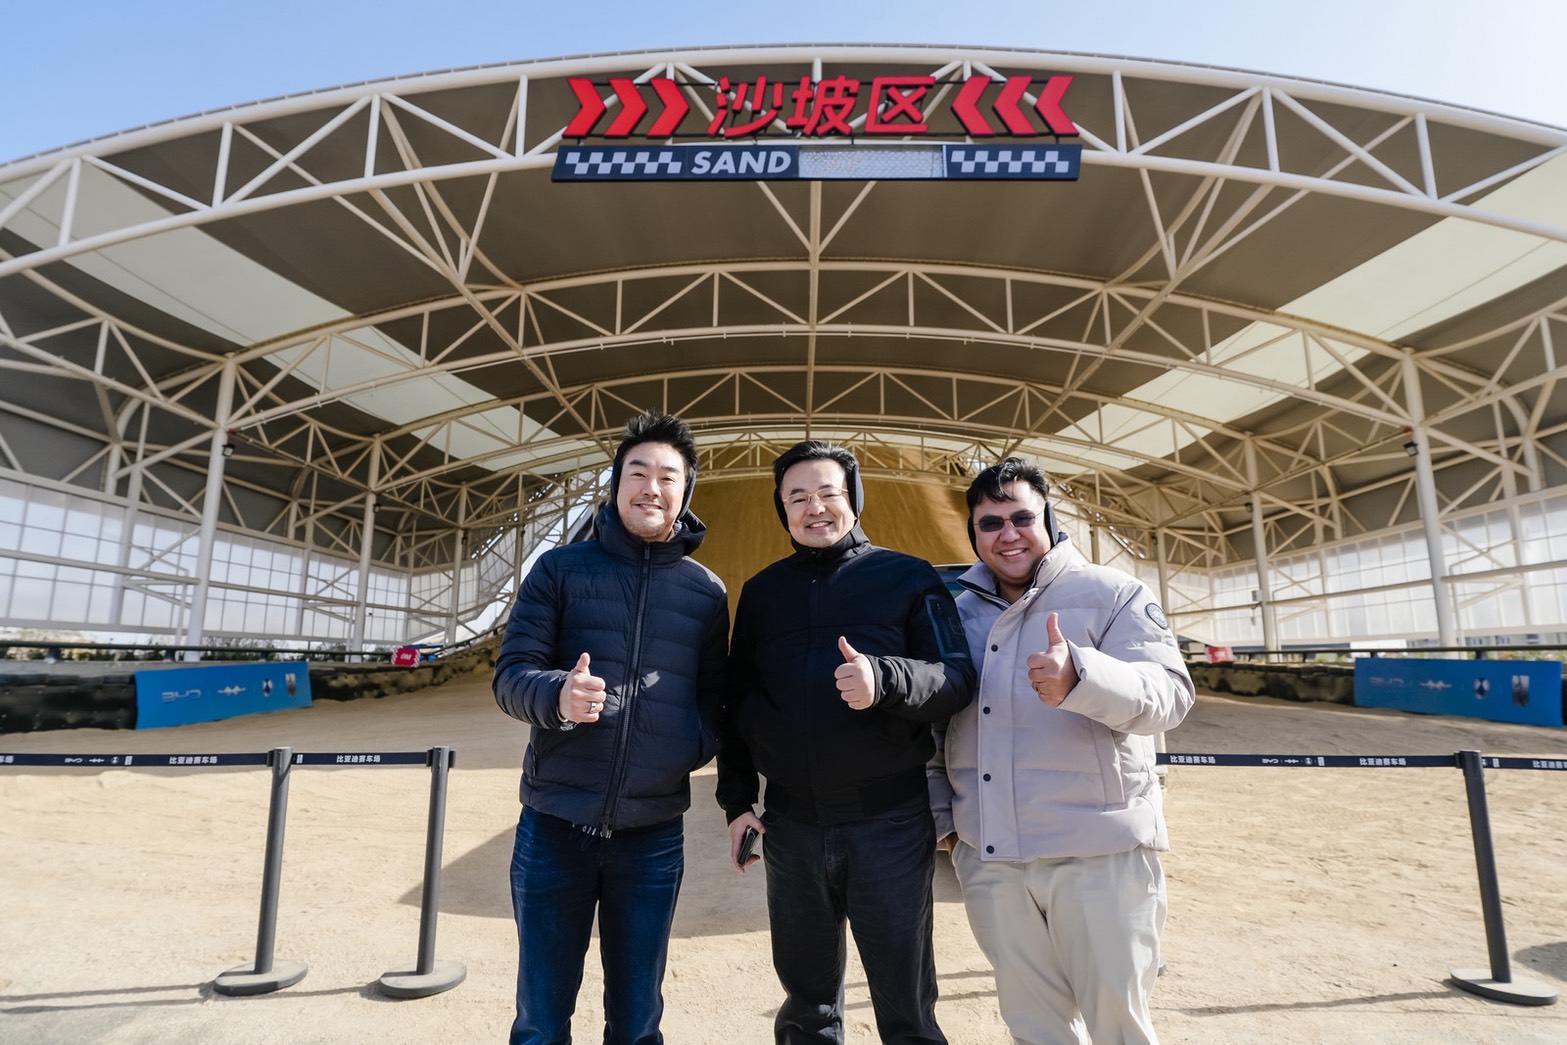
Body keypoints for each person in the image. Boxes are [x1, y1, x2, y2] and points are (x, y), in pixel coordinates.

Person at [928, 456, 1195, 1045]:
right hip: (992, 860)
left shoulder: (1113, 593)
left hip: (1097, 854)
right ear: (973, 533)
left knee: (1119, 1027)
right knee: (1035, 1028)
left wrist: (1083, 675)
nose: (1008, 534)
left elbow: (1171, 697)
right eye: (990, 523)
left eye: (1022, 518)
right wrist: (949, 825)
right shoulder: (955, 615)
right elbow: (933, 728)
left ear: (1047, 519)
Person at [717, 440, 976, 1044]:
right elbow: (737, 703)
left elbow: (957, 677)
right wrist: (737, 802)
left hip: (888, 822)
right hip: (792, 826)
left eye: (829, 493)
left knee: (905, 1002)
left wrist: (886, 679)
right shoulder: (762, 593)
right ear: (783, 509)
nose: (815, 508)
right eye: (797, 498)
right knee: (806, 1003)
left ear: (853, 499)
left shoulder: (908, 577)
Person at [493, 412, 728, 1045]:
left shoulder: (706, 593)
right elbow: (511, 675)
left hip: (652, 834)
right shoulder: (560, 570)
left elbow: (714, 697)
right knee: (540, 1021)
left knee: (638, 1019)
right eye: (637, 473)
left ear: (686, 491)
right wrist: (558, 696)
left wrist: (688, 747)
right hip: (554, 823)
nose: (651, 487)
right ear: (616, 483)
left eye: (668, 476)